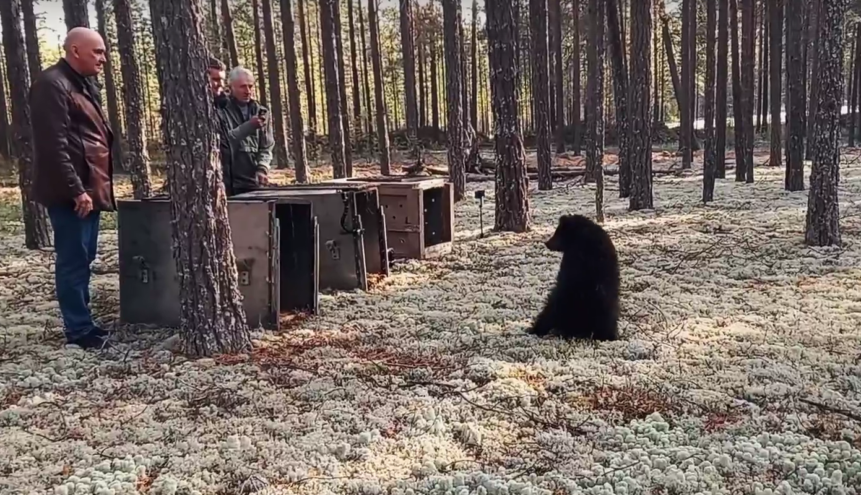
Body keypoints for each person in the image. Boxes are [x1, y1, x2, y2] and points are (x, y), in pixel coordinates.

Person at [30, 27, 114, 350]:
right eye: (97, 52)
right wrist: (76, 189)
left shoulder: (78, 83)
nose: (103, 59)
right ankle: (79, 331)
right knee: (73, 260)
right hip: (72, 195)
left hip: (87, 192)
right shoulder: (52, 84)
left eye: (104, 52)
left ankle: (85, 322)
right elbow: (54, 145)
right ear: (75, 50)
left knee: (84, 257)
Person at [217, 66, 274, 196]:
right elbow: (225, 142)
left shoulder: (262, 112)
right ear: (230, 88)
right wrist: (249, 126)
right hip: (229, 182)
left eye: (250, 86)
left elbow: (266, 146)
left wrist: (262, 168)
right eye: (243, 87)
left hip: (253, 183)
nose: (248, 91)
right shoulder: (221, 110)